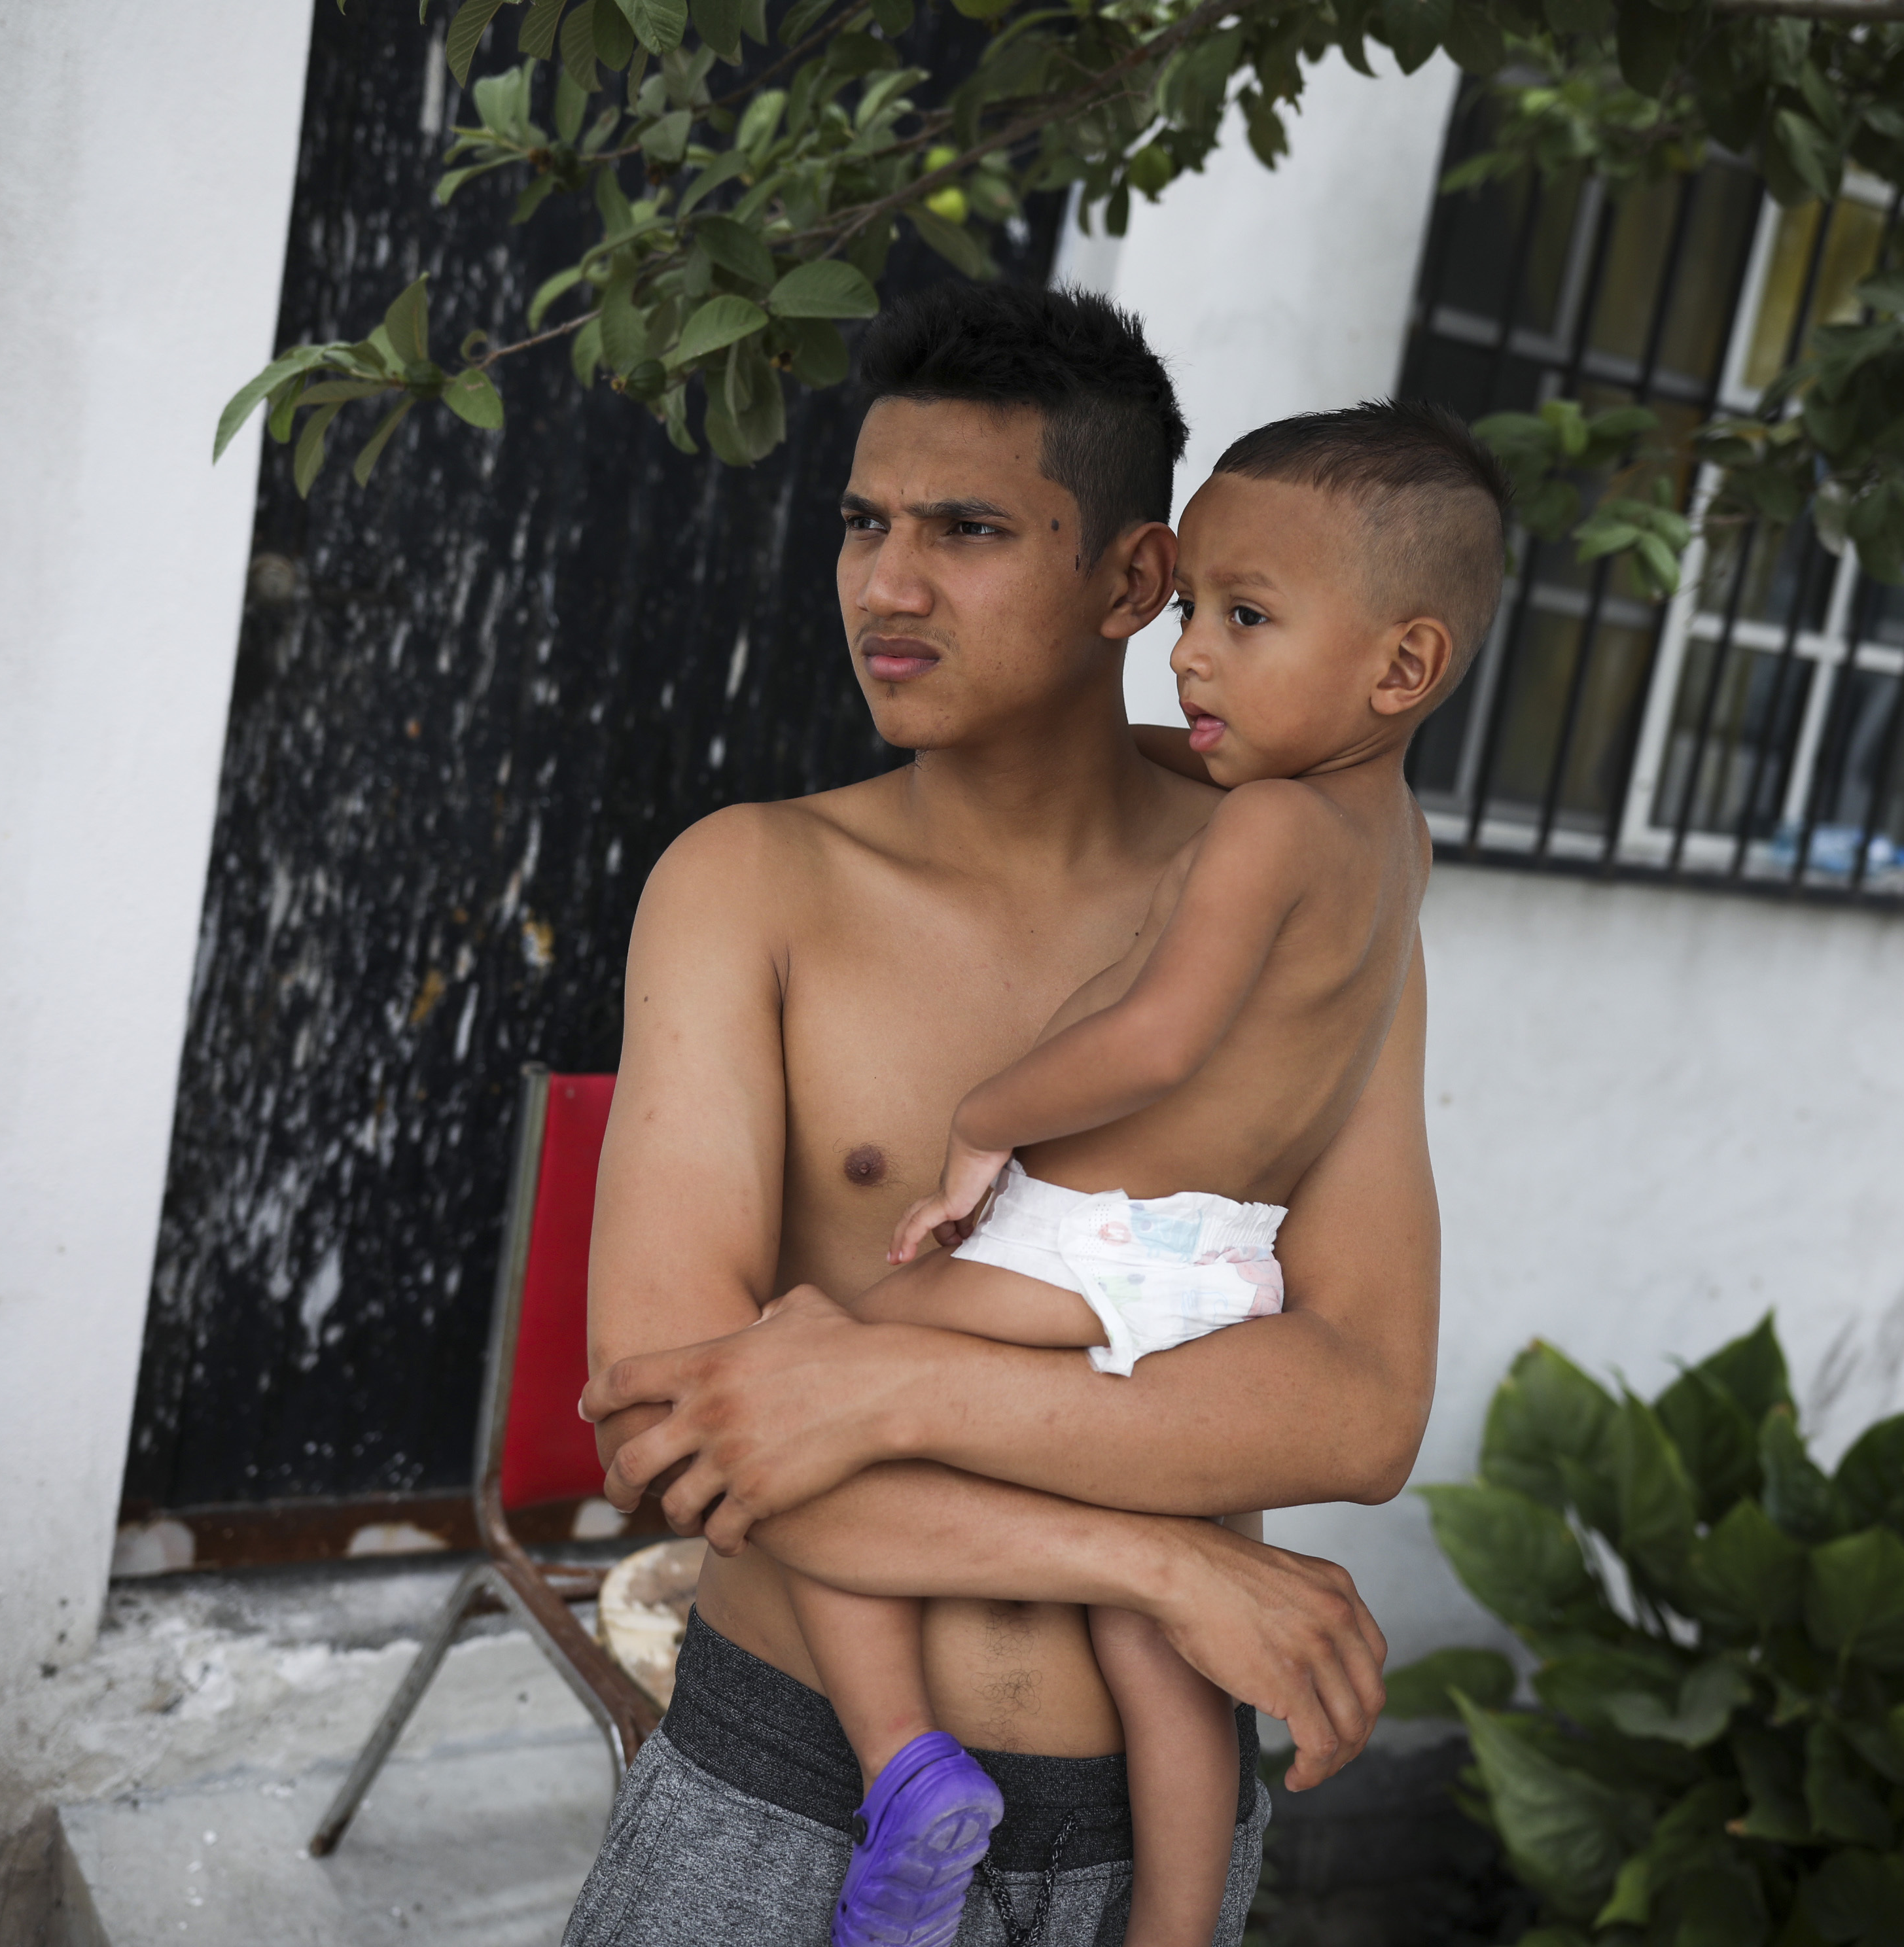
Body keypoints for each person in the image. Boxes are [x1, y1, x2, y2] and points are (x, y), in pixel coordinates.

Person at [563, 284, 1444, 1947]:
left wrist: (875, 1377)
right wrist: (1170, 1565)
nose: (887, 587)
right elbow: (673, 1427)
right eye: (864, 526)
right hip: (801, 1794)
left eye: (965, 529)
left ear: (1135, 577)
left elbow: (1358, 1402)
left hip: (1160, 1840)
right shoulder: (751, 883)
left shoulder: (1302, 888)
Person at [773, 398, 1506, 1947]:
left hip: (1094, 1242)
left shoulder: (1265, 837)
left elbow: (1161, 1037)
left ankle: (905, 1765)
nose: (1190, 659)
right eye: (1189, 613)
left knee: (795, 1388)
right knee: (1157, 1629)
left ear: (1402, 667)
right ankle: (1177, 1930)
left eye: (1245, 619)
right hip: (1217, 1264)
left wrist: (988, 1114)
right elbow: (1199, 774)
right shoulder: (1395, 842)